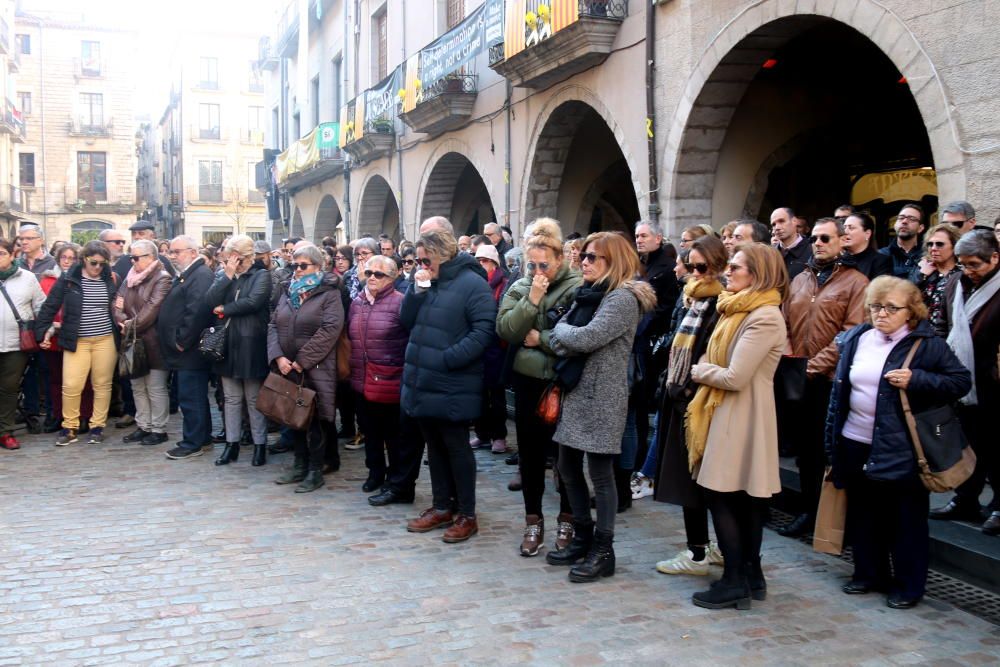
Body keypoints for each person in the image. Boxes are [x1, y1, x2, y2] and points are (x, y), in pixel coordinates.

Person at [827, 276, 970, 607]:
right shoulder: (858, 337)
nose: (882, 314)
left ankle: (908, 586)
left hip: (903, 447)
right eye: (876, 306)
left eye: (892, 308)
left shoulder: (926, 344)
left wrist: (916, 378)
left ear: (911, 311)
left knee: (905, 520)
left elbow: (960, 381)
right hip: (855, 440)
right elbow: (841, 392)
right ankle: (868, 574)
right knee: (864, 514)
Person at [544, 232, 656, 582]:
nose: (585, 262)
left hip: (602, 396)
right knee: (566, 465)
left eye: (593, 257)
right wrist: (564, 335)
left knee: (601, 474)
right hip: (577, 392)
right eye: (584, 257)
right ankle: (583, 534)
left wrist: (561, 331)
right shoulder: (590, 295)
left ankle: (604, 549)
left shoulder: (621, 299)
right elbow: (562, 341)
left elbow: (583, 337)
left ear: (615, 261)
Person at [684, 244, 788, 609]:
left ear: (757, 274)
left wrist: (699, 371)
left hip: (743, 413)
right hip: (726, 410)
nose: (728, 271)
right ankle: (749, 575)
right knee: (737, 499)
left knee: (725, 495)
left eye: (738, 267)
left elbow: (735, 375)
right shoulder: (734, 309)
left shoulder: (764, 315)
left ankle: (735, 580)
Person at [401, 227, 496, 544]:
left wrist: (449, 359)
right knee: (435, 447)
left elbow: (484, 331)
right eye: (418, 260)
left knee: (456, 448)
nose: (421, 265)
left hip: (452, 380)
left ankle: (467, 513)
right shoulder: (427, 280)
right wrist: (417, 290)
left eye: (426, 259)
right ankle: (442, 505)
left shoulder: (471, 283)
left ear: (442, 254)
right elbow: (407, 320)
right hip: (423, 380)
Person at [497, 219, 581, 556]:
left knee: (565, 458)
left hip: (563, 383)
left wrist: (541, 339)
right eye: (531, 264)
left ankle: (568, 518)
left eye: (543, 264)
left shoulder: (576, 287)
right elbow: (507, 330)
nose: (537, 270)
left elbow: (577, 337)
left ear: (560, 259)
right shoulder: (521, 287)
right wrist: (532, 300)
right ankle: (533, 521)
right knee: (530, 455)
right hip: (529, 382)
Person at [780, 217, 869, 537]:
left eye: (825, 238)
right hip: (799, 376)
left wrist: (814, 366)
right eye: (815, 238)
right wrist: (792, 360)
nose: (818, 243)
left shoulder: (856, 282)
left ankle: (838, 520)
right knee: (807, 453)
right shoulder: (800, 279)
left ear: (841, 241)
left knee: (831, 450)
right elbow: (785, 322)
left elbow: (850, 333)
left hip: (831, 380)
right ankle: (809, 511)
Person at [652, 236, 727, 576]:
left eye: (702, 266)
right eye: (691, 266)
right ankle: (697, 548)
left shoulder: (721, 304)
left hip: (702, 401)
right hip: (678, 396)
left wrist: (689, 387)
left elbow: (713, 352)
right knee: (685, 480)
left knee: (707, 481)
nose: (695, 273)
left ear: (718, 266)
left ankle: (712, 550)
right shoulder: (689, 300)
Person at [931, 230, 1000, 535]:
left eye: (975, 265)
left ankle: (998, 505)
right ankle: (965, 498)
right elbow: (944, 324)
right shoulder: (954, 283)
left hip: (993, 381)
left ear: (995, 258)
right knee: (967, 445)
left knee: (997, 448)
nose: (969, 272)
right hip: (962, 379)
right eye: (963, 265)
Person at [270, 244, 345, 493]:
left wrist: (303, 359)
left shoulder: (329, 293)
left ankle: (316, 469)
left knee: (316, 419)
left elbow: (330, 330)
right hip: (287, 367)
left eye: (304, 266)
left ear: (318, 266)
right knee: (294, 417)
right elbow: (273, 324)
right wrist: (278, 356)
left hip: (316, 367)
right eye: (294, 265)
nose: (298, 270)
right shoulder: (287, 290)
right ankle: (299, 464)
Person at [36, 241, 119, 446]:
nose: (98, 267)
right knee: (71, 385)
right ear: (84, 260)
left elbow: (116, 304)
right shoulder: (69, 279)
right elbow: (50, 305)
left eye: (102, 263)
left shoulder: (109, 278)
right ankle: (69, 426)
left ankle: (97, 426)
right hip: (77, 340)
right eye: (93, 263)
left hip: (105, 339)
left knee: (102, 385)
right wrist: (41, 333)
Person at [348, 255, 413, 501]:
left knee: (393, 435)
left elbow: (408, 339)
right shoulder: (357, 302)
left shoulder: (400, 303)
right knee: (370, 431)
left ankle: (395, 479)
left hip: (389, 379)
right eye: (369, 273)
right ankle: (375, 473)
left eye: (379, 274)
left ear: (393, 277)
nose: (372, 278)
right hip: (361, 379)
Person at [204, 235, 272, 467]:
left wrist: (225, 309)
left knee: (253, 398)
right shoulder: (227, 275)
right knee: (231, 398)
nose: (234, 262)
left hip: (251, 343)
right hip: (227, 343)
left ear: (247, 257)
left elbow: (254, 302)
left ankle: (259, 444)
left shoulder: (261, 275)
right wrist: (228, 275)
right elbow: (209, 300)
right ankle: (231, 444)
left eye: (237, 259)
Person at [157, 236, 215, 459]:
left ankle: (193, 442)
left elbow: (197, 312)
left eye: (177, 252)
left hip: (189, 349)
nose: (172, 256)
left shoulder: (200, 275)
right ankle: (202, 437)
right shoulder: (189, 274)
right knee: (192, 395)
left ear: (192, 252)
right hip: (183, 349)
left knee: (191, 396)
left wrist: (181, 340)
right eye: (171, 252)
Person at [112, 239, 171, 446]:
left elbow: (152, 310)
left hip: (153, 341)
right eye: (131, 257)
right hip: (132, 341)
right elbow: (117, 302)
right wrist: (122, 320)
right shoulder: (129, 278)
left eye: (136, 258)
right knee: (137, 386)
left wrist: (129, 325)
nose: (132, 262)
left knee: (155, 386)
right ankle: (144, 425)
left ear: (151, 257)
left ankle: (158, 428)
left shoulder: (162, 279)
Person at [39, 244, 96, 436]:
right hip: (53, 337)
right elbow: (42, 307)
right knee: (56, 379)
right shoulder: (47, 281)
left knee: (82, 381)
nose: (67, 261)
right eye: (64, 257)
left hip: (77, 336)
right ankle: (59, 415)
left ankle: (83, 416)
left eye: (72, 258)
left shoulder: (84, 280)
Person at [0, 239, 46, 450]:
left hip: (16, 344)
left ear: (11, 255)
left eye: (1, 253)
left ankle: (5, 431)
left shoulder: (27, 278)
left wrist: (46, 331)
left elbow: (41, 306)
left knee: (9, 389)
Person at [471, 243, 509, 453]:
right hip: (477, 348)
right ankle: (481, 434)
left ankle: (498, 435)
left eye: (484, 261)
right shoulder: (473, 283)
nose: (481, 265)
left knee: (496, 396)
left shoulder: (502, 285)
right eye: (478, 261)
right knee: (477, 395)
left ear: (494, 263)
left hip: (495, 348)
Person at [913, 224, 962, 337]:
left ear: (954, 246)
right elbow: (907, 298)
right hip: (921, 335)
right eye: (930, 244)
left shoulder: (963, 273)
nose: (933, 248)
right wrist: (921, 275)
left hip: (951, 335)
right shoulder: (920, 268)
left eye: (939, 244)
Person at [842, 212, 894, 280]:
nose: (845, 232)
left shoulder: (881, 262)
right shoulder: (838, 260)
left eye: (851, 228)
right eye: (844, 228)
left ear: (867, 233)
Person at [879, 204, 925, 280]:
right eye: (901, 218)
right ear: (894, 225)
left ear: (920, 228)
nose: (904, 221)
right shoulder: (881, 255)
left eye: (912, 219)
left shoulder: (927, 255)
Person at [771, 207, 811, 280]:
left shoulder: (813, 252)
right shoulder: (769, 253)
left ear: (794, 221)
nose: (777, 227)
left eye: (781, 221)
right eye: (773, 224)